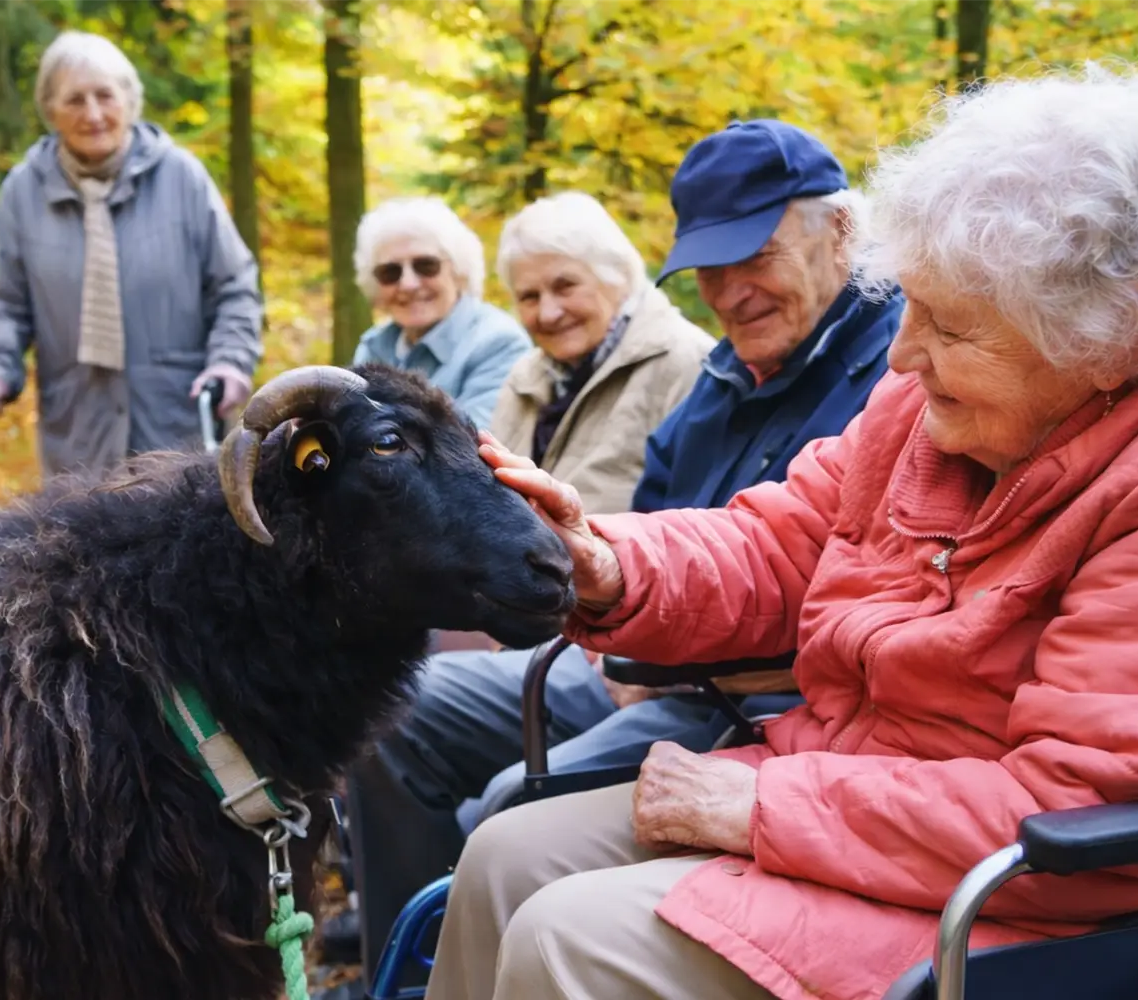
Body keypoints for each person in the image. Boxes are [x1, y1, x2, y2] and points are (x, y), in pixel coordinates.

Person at [430, 67, 1138, 1000]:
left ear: (1119, 331)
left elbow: (1097, 805)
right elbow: (790, 539)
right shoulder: (995, 381)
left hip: (1058, 890)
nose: (902, 357)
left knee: (571, 934)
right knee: (507, 854)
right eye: (907, 309)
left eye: (947, 328)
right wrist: (605, 561)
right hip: (884, 791)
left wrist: (765, 809)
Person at [330, 120, 904, 972]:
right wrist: (616, 593)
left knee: (507, 810)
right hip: (620, 655)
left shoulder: (901, 373)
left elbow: (856, 593)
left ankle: (473, 966)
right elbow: (673, 529)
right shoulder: (715, 383)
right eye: (709, 267)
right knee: (393, 712)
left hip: (748, 702)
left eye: (756, 257)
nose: (729, 290)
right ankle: (400, 970)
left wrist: (637, 630)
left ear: (842, 234)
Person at [0, 30, 263, 481]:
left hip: (175, 427)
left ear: (129, 99)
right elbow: (6, 303)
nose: (94, 113)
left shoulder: (182, 177)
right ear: (50, 111)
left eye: (105, 95)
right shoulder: (23, 192)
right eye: (75, 100)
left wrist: (230, 361)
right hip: (77, 435)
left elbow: (235, 286)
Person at [489, 191, 713, 516]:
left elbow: (699, 523)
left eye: (565, 286)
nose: (548, 313)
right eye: (529, 297)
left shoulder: (688, 364)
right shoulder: (524, 379)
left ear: (618, 277)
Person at [349, 197, 533, 427]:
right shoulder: (375, 346)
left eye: (426, 266)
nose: (408, 284)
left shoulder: (499, 343)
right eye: (390, 272)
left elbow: (475, 445)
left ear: (458, 270)